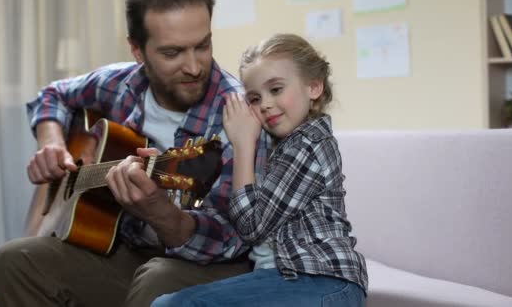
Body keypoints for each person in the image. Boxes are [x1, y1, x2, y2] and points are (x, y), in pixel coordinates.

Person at [0, 0, 271, 306]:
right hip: (129, 250)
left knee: (158, 278)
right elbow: (52, 95)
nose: (195, 67)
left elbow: (230, 239)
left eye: (202, 45)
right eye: (172, 53)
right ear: (137, 51)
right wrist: (51, 143)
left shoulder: (239, 115)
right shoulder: (120, 83)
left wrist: (159, 211)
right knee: (16, 259)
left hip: (212, 266)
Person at [152, 33, 368, 307]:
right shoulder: (283, 145)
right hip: (287, 279)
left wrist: (244, 145)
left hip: (324, 281)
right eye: (254, 98)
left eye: (276, 89)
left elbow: (251, 227)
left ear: (314, 87)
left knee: (175, 305)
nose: (264, 104)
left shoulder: (308, 145)